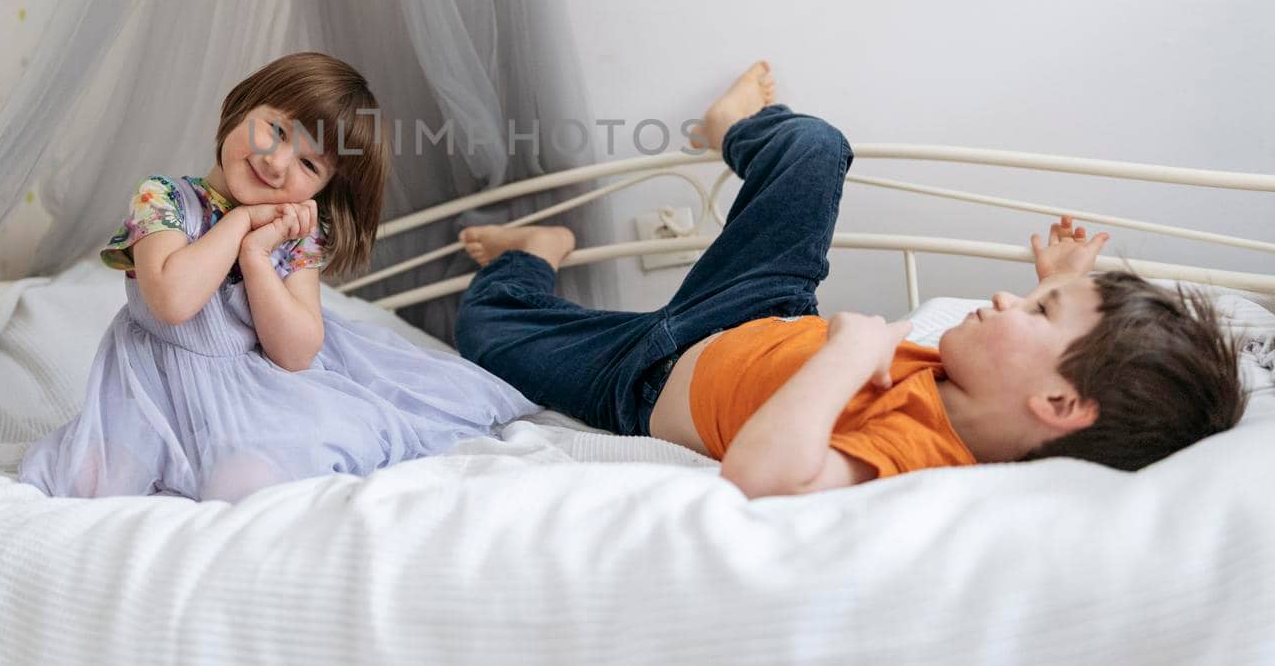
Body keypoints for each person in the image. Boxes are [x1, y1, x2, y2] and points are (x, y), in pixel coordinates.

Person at [455, 62, 1247, 498]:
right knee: (815, 148)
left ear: (1059, 405)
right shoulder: (991, 376)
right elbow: (1044, 349)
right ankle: (737, 131)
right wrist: (1063, 282)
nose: (1005, 297)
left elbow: (761, 475)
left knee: (485, 326)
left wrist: (847, 353)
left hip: (640, 379)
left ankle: (537, 248)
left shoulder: (923, 452)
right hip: (755, 306)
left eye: (1035, 309)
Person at [20, 51, 538, 503]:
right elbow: (174, 301)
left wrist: (256, 257)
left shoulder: (293, 236)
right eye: (276, 131)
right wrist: (242, 222)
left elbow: (294, 353)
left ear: (321, 190)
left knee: (246, 481)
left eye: (309, 165)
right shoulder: (165, 198)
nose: (277, 162)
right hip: (151, 387)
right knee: (88, 483)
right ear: (239, 109)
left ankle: (240, 461)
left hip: (251, 390)